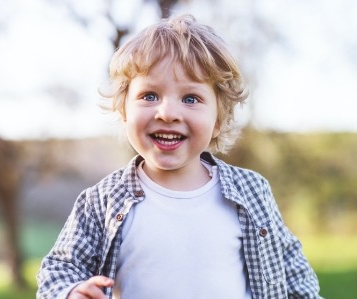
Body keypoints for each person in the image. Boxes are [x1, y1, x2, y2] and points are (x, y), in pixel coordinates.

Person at [36, 14, 321, 299]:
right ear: (124, 111)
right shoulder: (102, 202)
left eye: (190, 99)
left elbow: (293, 272)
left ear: (218, 119)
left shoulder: (252, 192)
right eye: (149, 95)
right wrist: (72, 292)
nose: (168, 113)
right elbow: (59, 271)